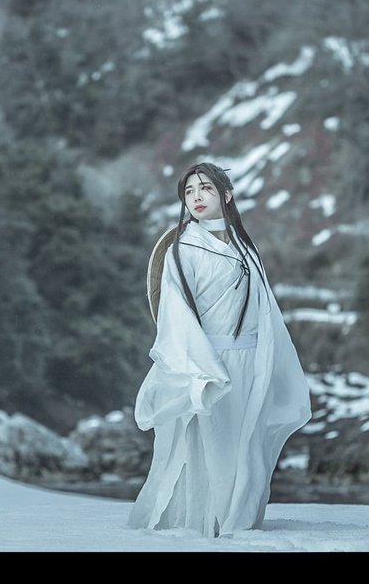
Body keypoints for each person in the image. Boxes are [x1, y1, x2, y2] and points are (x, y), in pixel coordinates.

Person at [126, 162, 312, 538]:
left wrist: (268, 360)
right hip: (208, 362)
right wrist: (200, 370)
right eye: (189, 191)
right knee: (209, 445)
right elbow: (176, 314)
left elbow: (264, 310)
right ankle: (202, 524)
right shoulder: (183, 249)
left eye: (206, 188)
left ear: (226, 195)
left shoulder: (245, 247)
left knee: (247, 445)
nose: (196, 196)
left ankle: (240, 523)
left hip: (250, 360)